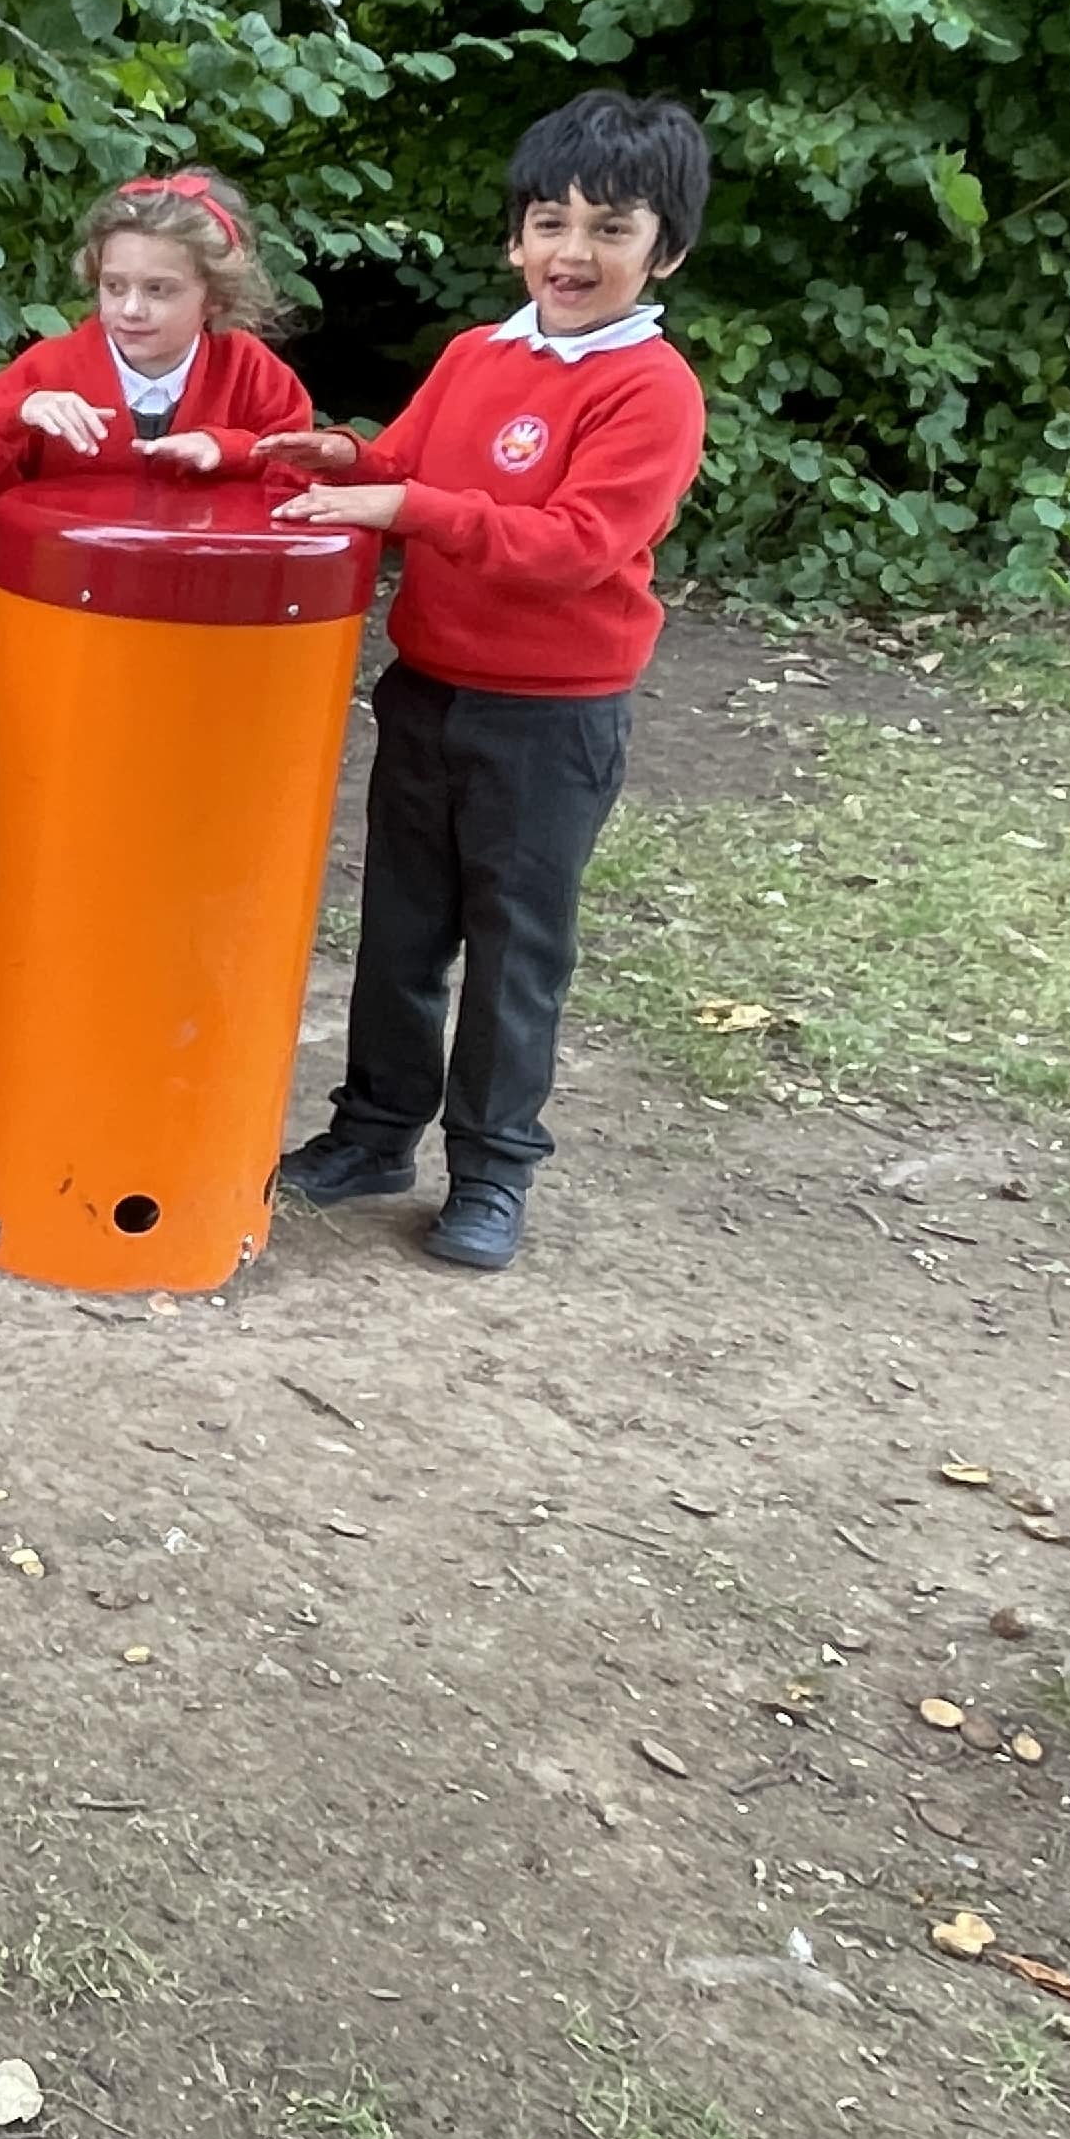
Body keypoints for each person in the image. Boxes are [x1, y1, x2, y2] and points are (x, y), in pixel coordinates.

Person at [259, 90, 715, 1272]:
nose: (574, 253)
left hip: (551, 723)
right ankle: (371, 1137)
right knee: (401, 936)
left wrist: (404, 503)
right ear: (516, 237)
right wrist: (342, 458)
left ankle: (494, 1171)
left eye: (611, 229)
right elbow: (404, 464)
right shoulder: (477, 354)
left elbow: (574, 545)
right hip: (428, 693)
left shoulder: (650, 390)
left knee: (517, 954)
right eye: (551, 223)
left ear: (663, 249)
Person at [0, 170, 313, 515]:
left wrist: (227, 450)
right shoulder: (51, 369)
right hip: (65, 591)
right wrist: (16, 417)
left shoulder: (250, 370)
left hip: (203, 591)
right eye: (114, 287)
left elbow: (300, 481)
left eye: (158, 290)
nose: (131, 309)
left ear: (214, 297)